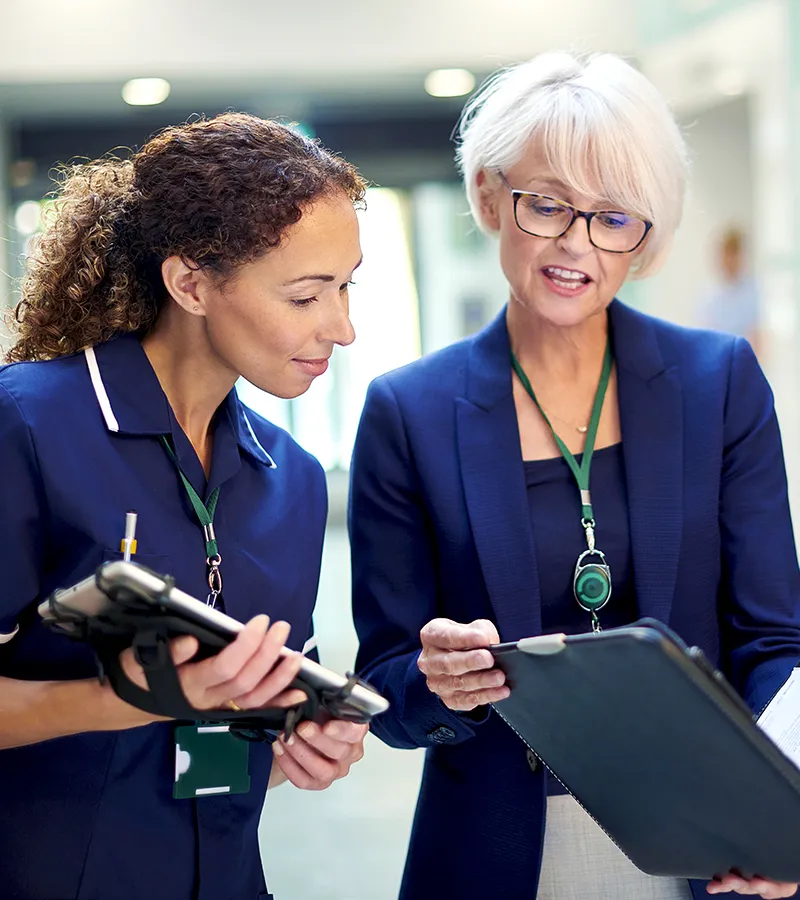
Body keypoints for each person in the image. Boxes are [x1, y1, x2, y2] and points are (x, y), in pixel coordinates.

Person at [349, 53, 800, 900]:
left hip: (711, 843)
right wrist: (438, 682)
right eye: (547, 204)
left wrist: (778, 812)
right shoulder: (408, 410)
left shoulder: (719, 381)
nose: (575, 244)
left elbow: (774, 639)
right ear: (489, 197)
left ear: (648, 235)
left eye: (613, 217)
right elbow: (386, 687)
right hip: (498, 847)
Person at [0, 113, 368, 900]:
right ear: (191, 283)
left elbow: (225, 746)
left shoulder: (291, 478)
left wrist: (289, 746)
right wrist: (115, 700)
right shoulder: (27, 425)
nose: (342, 327)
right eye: (306, 296)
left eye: (347, 286)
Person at [700, 226, 762, 356]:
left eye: (733, 253)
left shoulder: (753, 292)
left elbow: (758, 340)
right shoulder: (709, 296)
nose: (729, 260)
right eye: (725, 253)